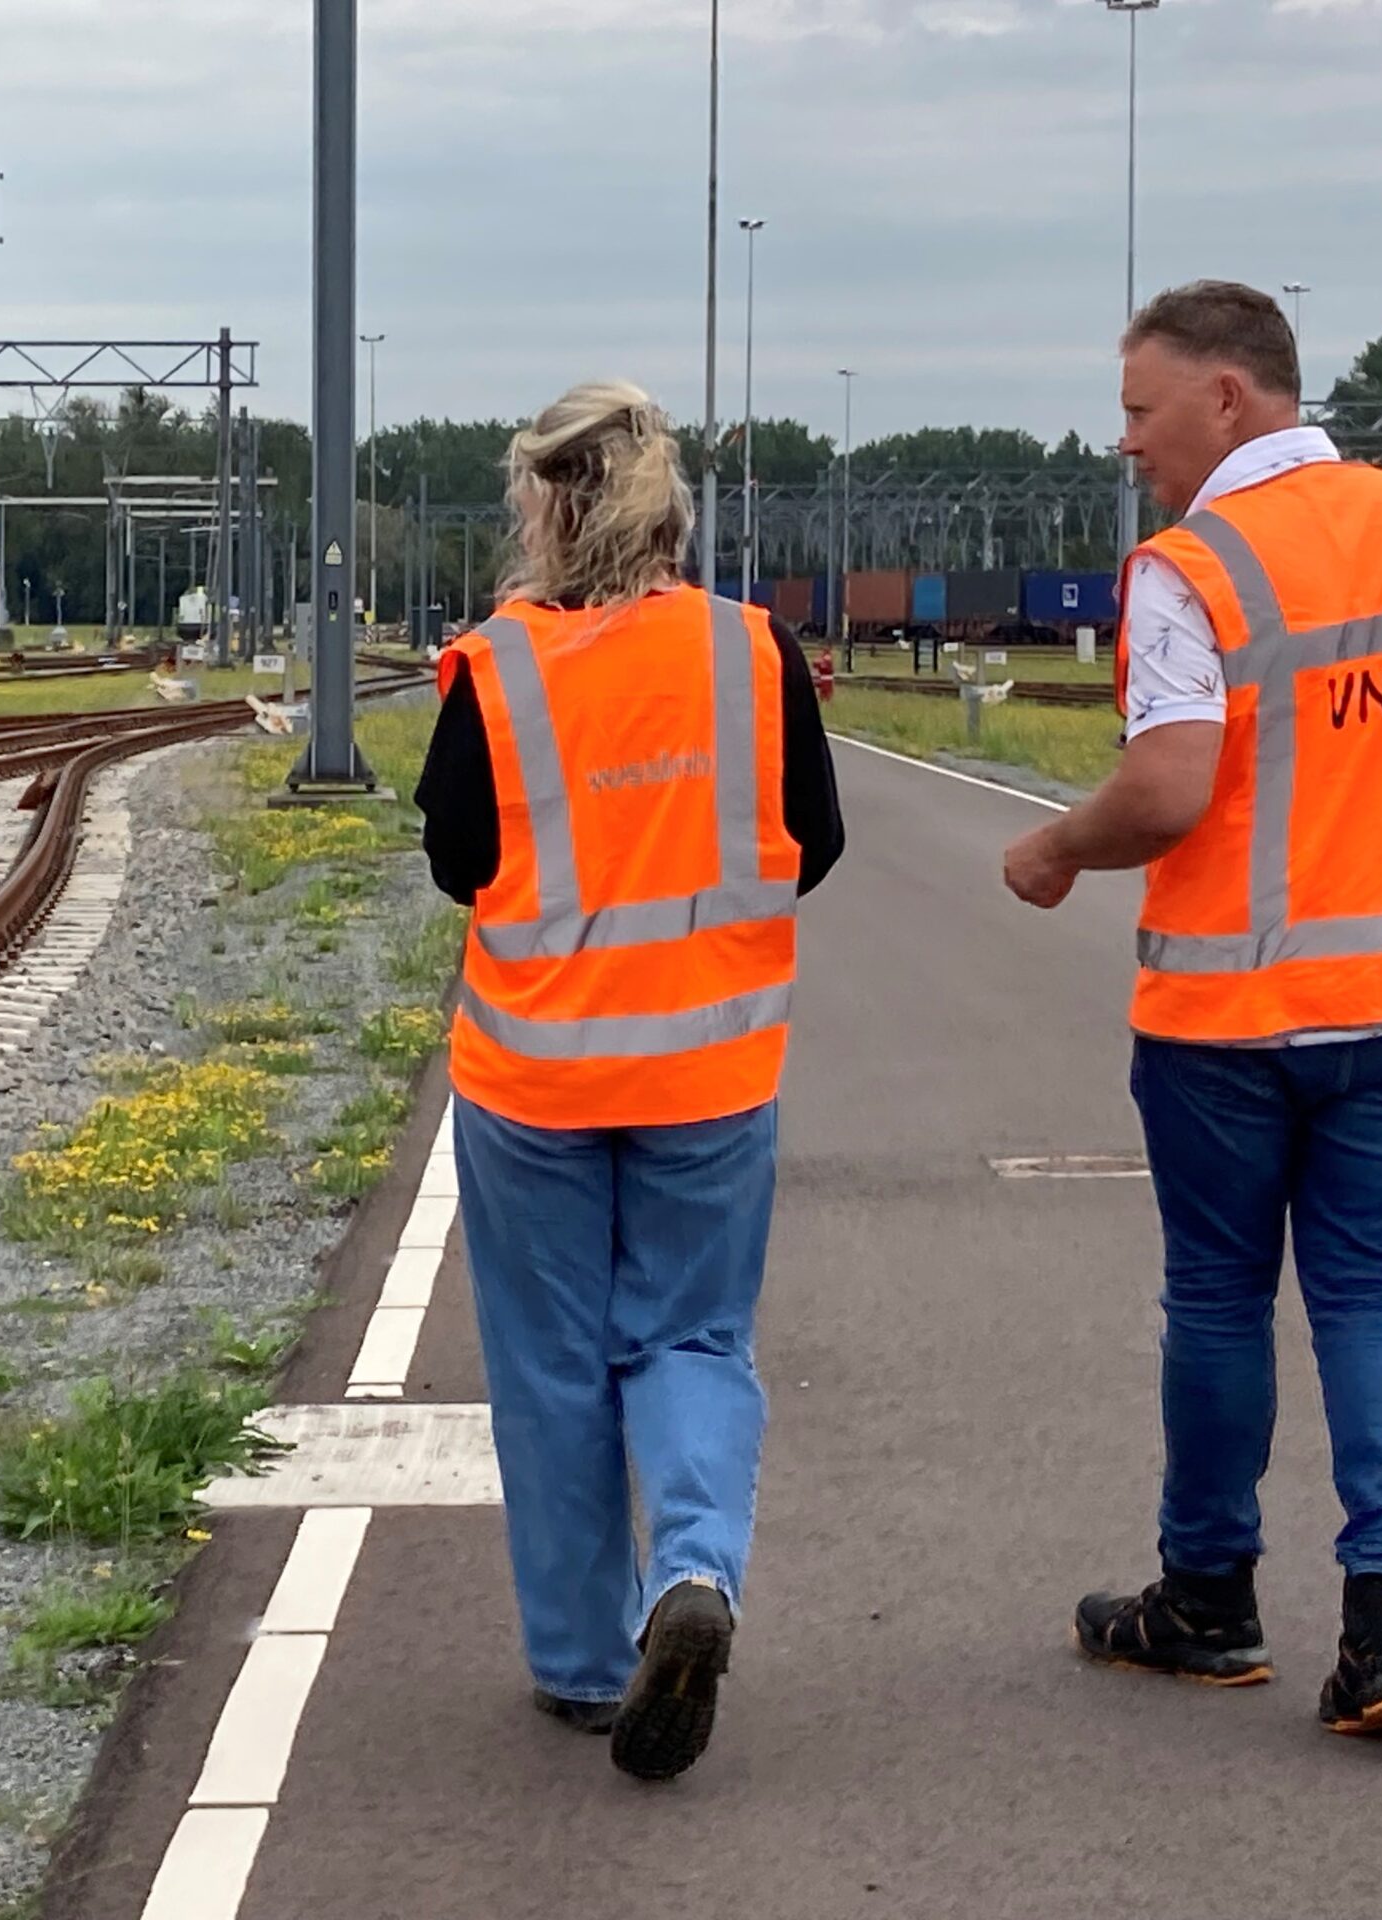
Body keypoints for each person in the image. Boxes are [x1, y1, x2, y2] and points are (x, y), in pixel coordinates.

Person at [1004, 279, 1382, 1738]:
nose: (1126, 441)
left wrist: (1058, 845)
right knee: (1370, 1294)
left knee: (1217, 1299)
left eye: (1141, 410)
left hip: (1229, 1024)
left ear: (1227, 396)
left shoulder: (1193, 566)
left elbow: (1172, 787)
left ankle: (1208, 1602)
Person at [415, 381, 844, 1780]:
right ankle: (695, 1573)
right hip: (712, 1070)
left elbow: (459, 861)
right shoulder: (754, 652)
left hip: (534, 1077)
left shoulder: (498, 667)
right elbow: (815, 841)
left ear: (543, 505)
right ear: (672, 506)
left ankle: (587, 1666)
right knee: (694, 1339)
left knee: (551, 1371)